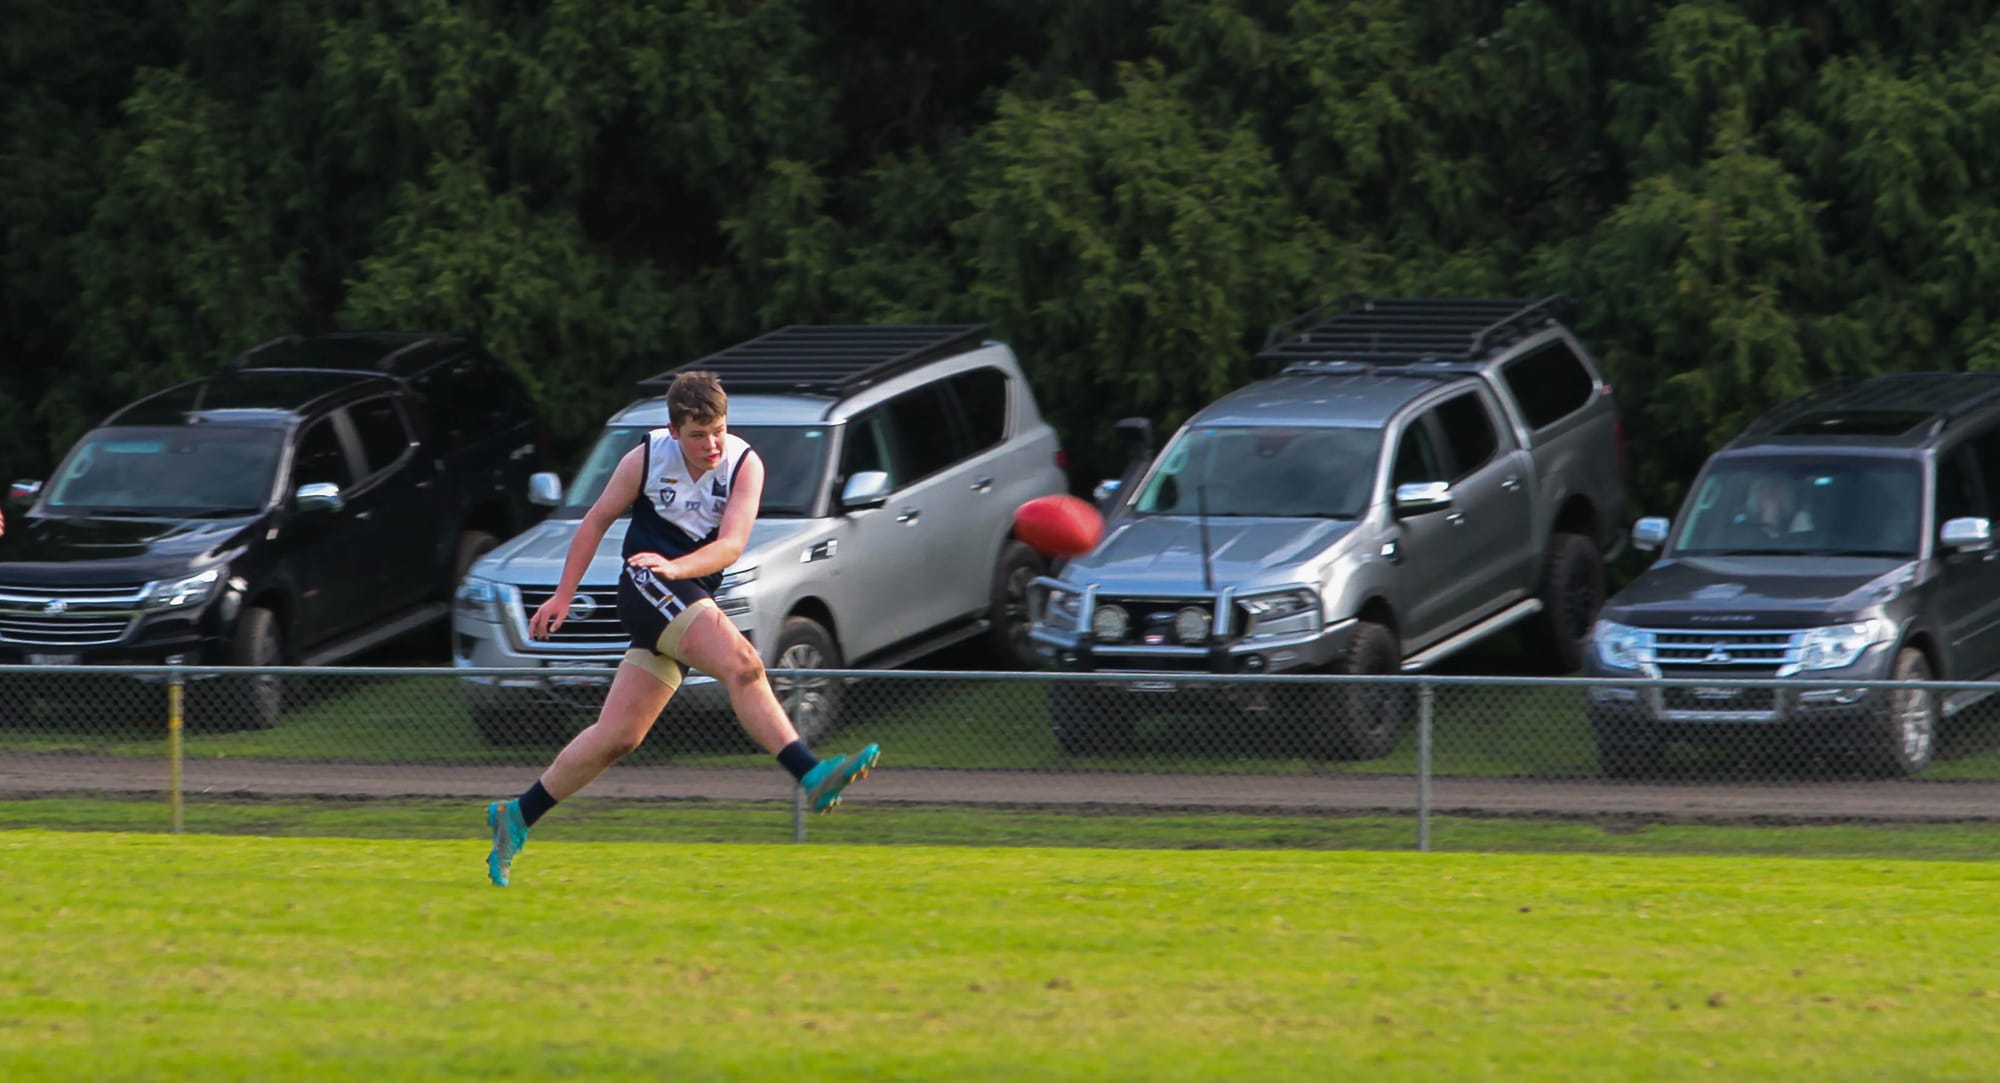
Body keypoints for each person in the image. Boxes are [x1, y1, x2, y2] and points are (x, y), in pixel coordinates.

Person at [483, 370, 879, 887]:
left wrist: (680, 568)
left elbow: (732, 546)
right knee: (744, 665)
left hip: (683, 588)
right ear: (674, 432)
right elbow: (596, 520)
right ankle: (811, 773)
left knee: (619, 736)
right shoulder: (646, 457)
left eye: (717, 429)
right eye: (697, 435)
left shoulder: (743, 464)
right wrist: (563, 594)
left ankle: (516, 815)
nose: (712, 444)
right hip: (646, 587)